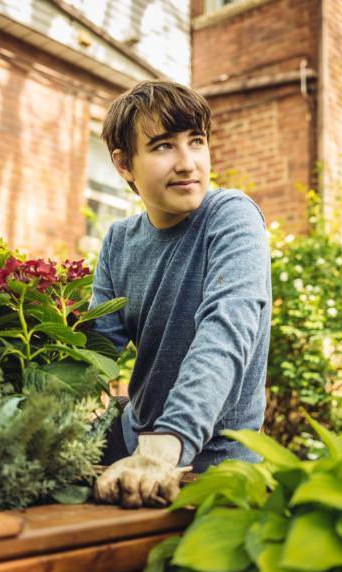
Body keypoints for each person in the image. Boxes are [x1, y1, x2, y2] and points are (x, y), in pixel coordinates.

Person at [91, 80, 271, 508]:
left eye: (197, 141)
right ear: (123, 164)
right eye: (163, 147)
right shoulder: (119, 240)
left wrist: (170, 441)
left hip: (218, 468)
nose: (188, 163)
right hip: (140, 449)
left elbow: (226, 330)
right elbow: (91, 354)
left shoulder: (231, 217)